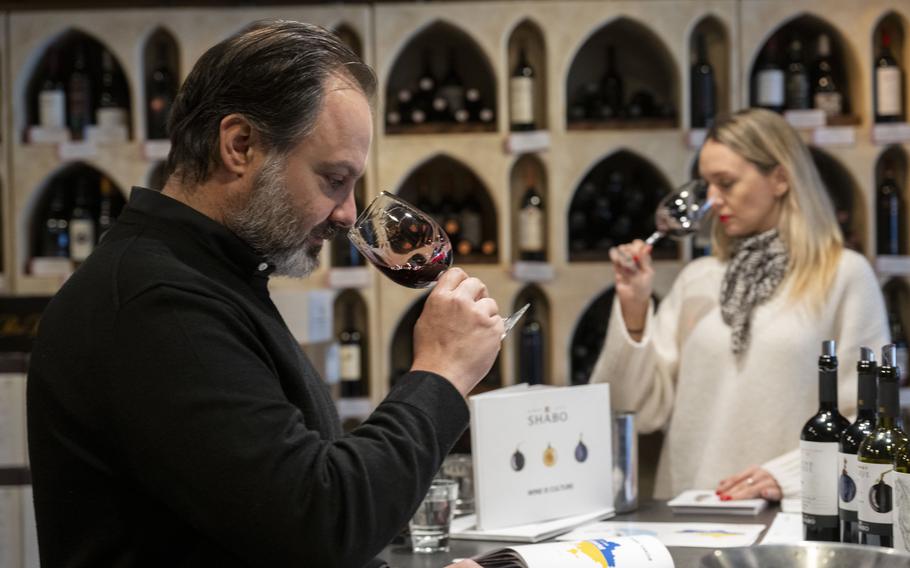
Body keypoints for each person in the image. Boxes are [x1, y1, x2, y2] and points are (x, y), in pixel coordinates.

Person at [27, 20, 504, 568]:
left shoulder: (208, 280)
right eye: (333, 179)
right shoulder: (155, 305)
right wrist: (442, 373)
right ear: (240, 145)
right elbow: (321, 523)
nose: (349, 214)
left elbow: (259, 527)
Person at [589, 108, 889, 502]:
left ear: (780, 178)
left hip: (793, 517)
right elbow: (634, 411)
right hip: (689, 517)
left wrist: (788, 476)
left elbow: (870, 419)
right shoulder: (698, 278)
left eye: (726, 183)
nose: (711, 201)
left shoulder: (843, 276)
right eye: (706, 186)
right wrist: (633, 310)